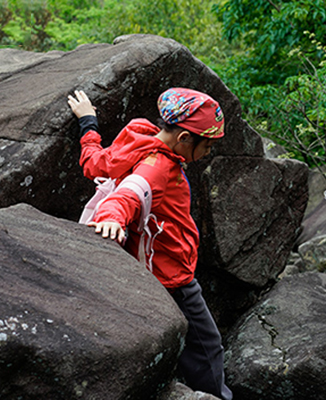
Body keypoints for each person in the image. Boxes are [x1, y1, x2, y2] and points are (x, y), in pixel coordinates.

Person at [68, 88, 233, 400]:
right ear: (184, 138)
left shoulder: (137, 139)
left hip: (145, 273)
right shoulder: (160, 166)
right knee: (208, 348)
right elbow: (130, 193)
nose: (209, 151)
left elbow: (95, 163)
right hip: (170, 277)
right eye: (207, 144)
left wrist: (88, 123)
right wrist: (113, 217)